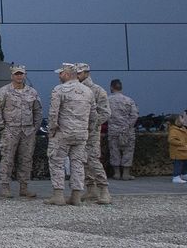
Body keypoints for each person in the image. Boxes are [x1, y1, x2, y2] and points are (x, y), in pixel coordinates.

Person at [45, 63, 93, 206]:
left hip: (63, 133)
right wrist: (87, 129)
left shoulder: (59, 90)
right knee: (78, 164)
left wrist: (52, 130)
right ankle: (76, 196)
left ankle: (58, 195)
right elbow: (93, 114)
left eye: (60, 73)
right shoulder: (87, 91)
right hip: (81, 134)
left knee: (57, 162)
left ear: (66, 74)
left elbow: (53, 113)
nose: (59, 76)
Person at [0, 64, 41, 198]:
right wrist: (1, 126)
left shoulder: (32, 92)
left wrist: (35, 128)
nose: (19, 76)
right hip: (10, 130)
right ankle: (5, 188)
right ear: (12, 76)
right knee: (7, 159)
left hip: (27, 132)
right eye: (17, 74)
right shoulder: (4, 91)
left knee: (26, 159)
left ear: (25, 75)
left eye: (21, 74)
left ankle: (24, 188)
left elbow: (37, 111)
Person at [74, 63, 111, 205]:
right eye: (75, 73)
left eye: (79, 73)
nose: (77, 76)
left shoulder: (97, 91)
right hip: (77, 131)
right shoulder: (74, 89)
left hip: (91, 133)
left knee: (93, 160)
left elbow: (105, 113)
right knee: (82, 160)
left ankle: (104, 189)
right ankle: (91, 189)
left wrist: (91, 125)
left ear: (86, 73)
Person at [107, 79, 139, 180]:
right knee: (128, 151)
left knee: (114, 151)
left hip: (113, 130)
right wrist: (128, 125)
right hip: (127, 130)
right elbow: (134, 115)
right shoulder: (129, 100)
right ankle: (126, 174)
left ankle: (116, 173)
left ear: (112, 87)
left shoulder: (108, 100)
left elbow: (104, 114)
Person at [170, 112, 187, 185]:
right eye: (182, 118)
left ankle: (184, 174)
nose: (184, 120)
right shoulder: (173, 130)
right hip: (177, 151)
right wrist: (181, 143)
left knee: (185, 163)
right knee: (178, 164)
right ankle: (176, 176)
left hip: (184, 150)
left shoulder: (183, 129)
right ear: (177, 121)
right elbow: (171, 140)